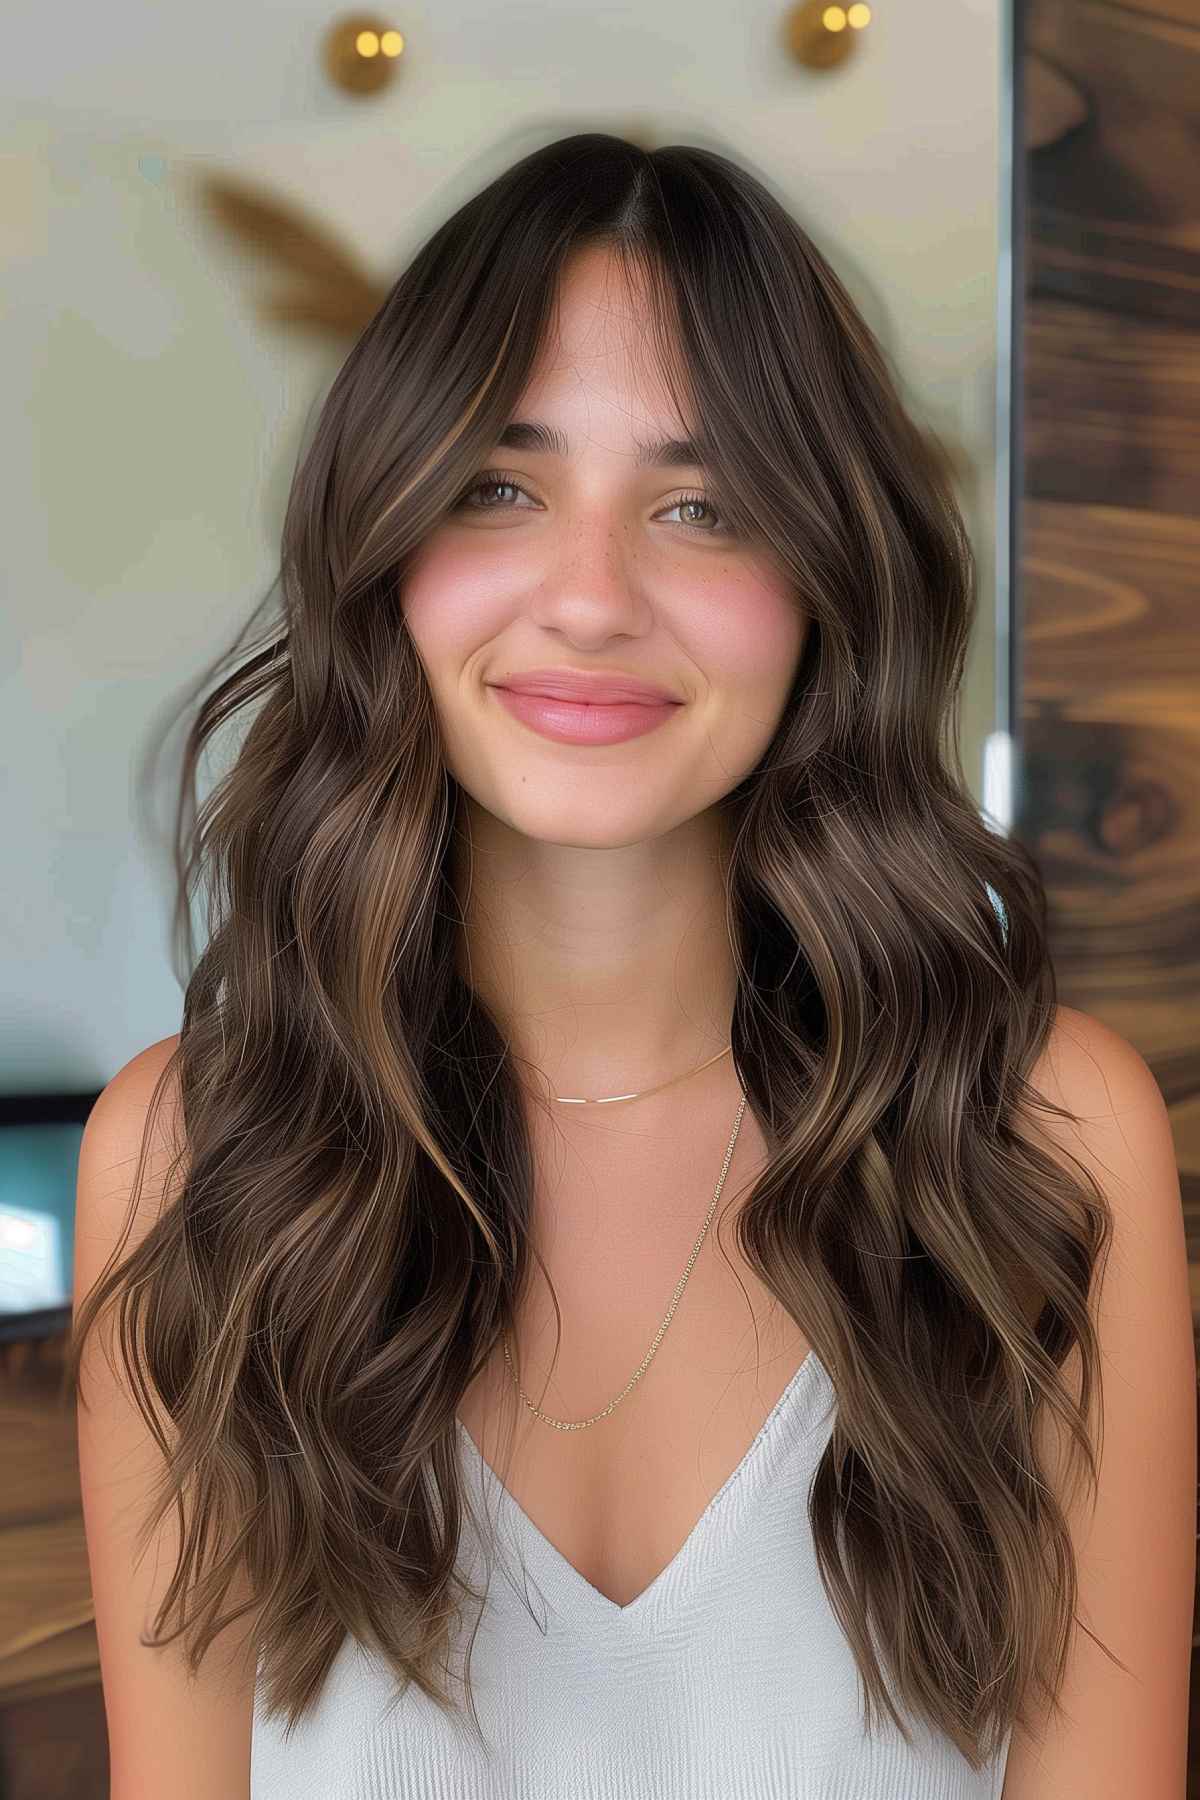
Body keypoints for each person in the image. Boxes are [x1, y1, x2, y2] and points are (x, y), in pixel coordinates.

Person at [66, 132, 1194, 1799]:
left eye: (704, 505)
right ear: (384, 550)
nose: (592, 598)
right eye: (499, 488)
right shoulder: (189, 1161)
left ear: (827, 581)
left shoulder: (1037, 1142)